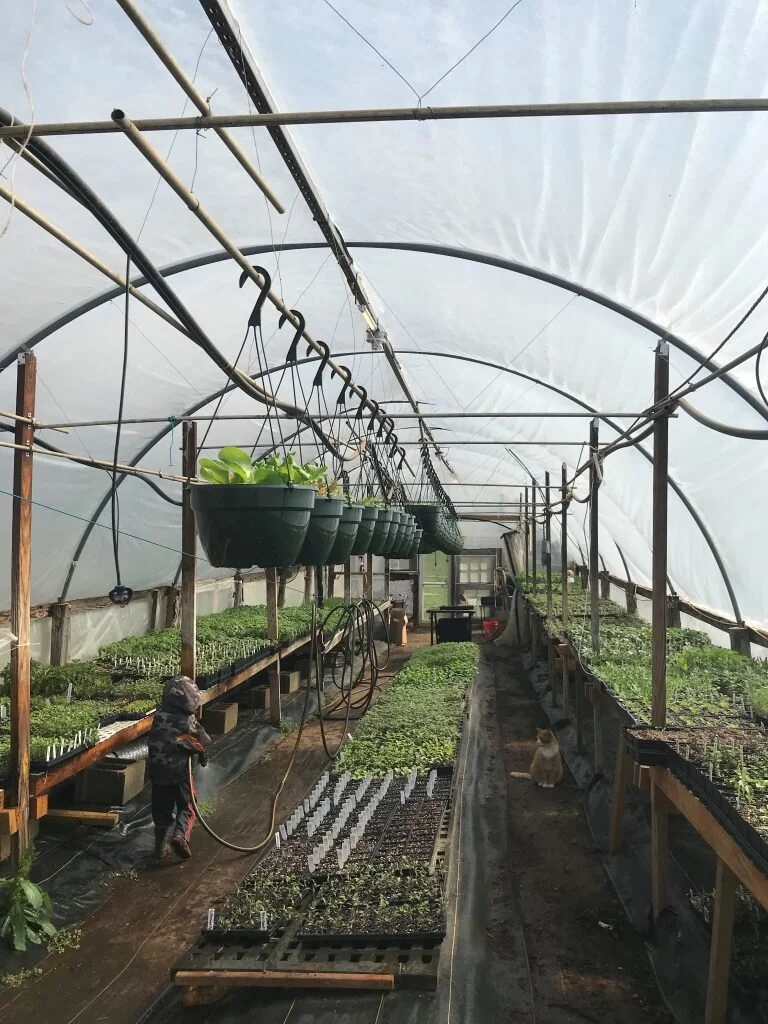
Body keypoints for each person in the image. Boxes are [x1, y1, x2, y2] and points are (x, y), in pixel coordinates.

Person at [147, 675, 210, 861]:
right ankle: (180, 836)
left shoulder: (158, 717)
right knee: (188, 805)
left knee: (161, 811)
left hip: (157, 773)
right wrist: (202, 754)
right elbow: (203, 741)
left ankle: (159, 849)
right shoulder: (187, 722)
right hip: (179, 773)